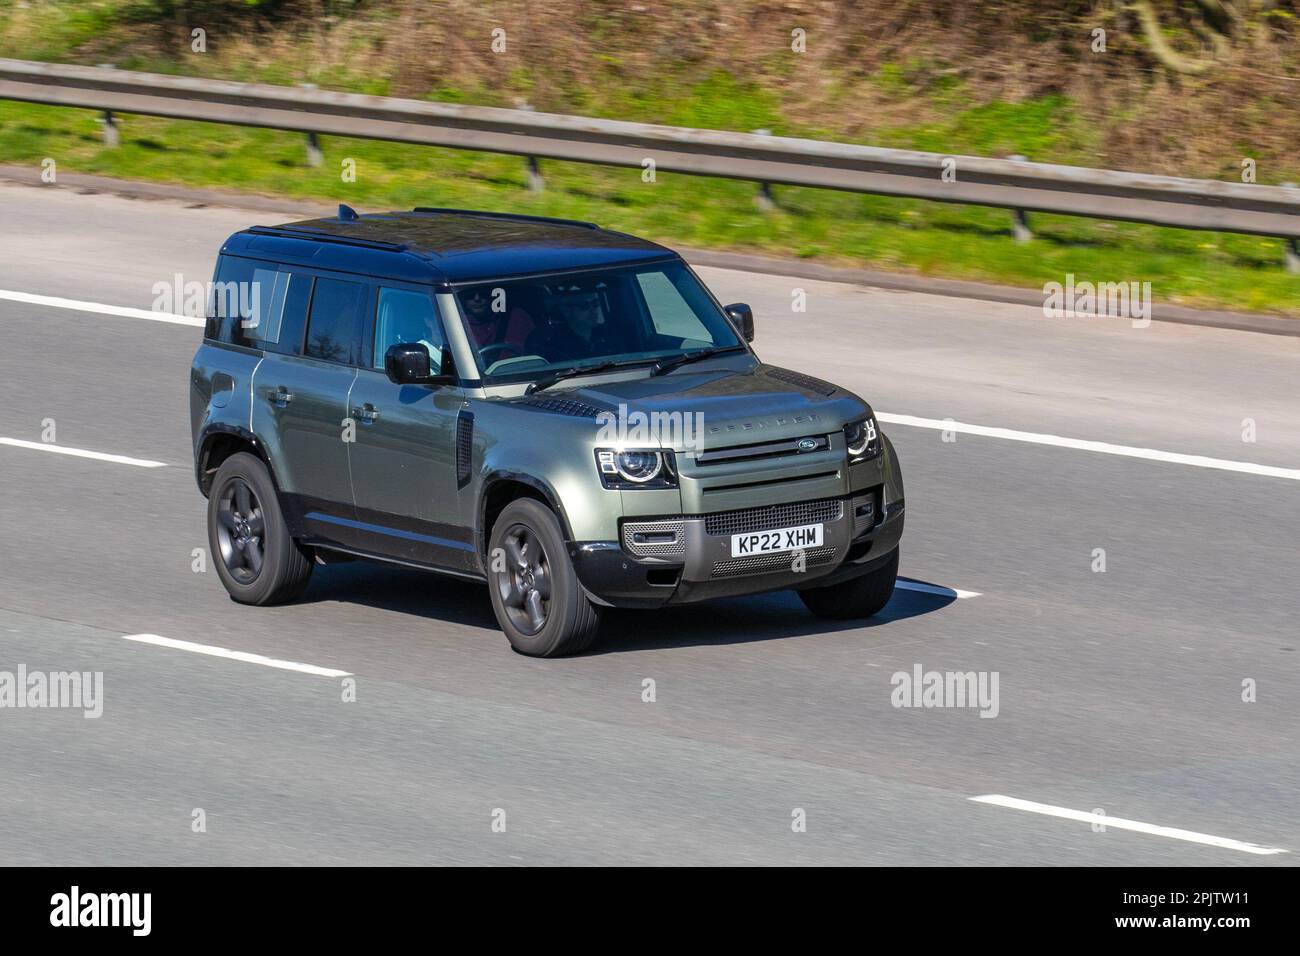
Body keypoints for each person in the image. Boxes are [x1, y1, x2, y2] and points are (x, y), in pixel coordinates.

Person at [461, 286, 533, 361]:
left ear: (493, 296)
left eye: (483, 293)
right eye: (469, 295)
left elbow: (533, 349)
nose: (477, 298)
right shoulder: (457, 324)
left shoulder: (517, 316)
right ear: (463, 299)